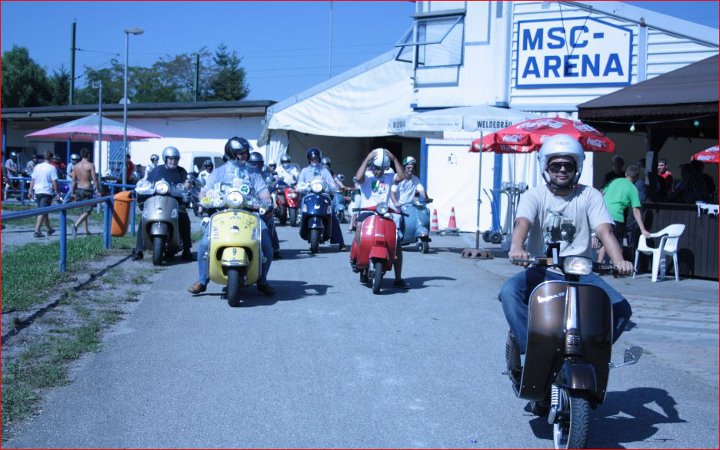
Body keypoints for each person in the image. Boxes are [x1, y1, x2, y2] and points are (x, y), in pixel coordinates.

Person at [499, 134, 634, 388]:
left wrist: (619, 261)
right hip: (541, 270)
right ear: (545, 168)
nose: (562, 170)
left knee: (620, 309)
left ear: (577, 168)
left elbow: (605, 231)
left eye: (568, 165)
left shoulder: (590, 195)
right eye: (556, 165)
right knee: (509, 292)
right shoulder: (534, 196)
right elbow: (522, 224)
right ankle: (533, 349)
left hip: (581, 272)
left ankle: (592, 352)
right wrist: (517, 248)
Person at [188, 136, 276, 296]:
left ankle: (262, 280)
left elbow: (264, 193)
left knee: (266, 245)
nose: (245, 155)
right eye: (241, 153)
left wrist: (266, 202)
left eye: (246, 152)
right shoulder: (219, 172)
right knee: (205, 244)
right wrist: (204, 200)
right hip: (222, 213)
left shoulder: (253, 173)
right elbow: (204, 191)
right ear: (232, 154)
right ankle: (202, 280)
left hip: (250, 214)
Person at [353, 147, 408, 287]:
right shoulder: (367, 176)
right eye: (376, 168)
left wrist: (394, 159)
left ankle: (398, 278)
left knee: (396, 242)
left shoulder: (389, 176)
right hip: (367, 211)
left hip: (385, 213)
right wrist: (367, 158)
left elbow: (402, 177)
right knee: (359, 226)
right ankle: (360, 258)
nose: (378, 171)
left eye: (382, 169)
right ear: (372, 166)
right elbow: (358, 178)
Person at [131, 146, 193, 261]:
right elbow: (148, 182)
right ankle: (139, 249)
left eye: (176, 159)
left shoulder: (181, 171)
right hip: (157, 200)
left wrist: (187, 185)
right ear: (165, 158)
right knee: (144, 218)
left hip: (175, 202)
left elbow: (187, 183)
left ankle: (186, 249)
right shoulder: (157, 170)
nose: (173, 161)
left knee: (184, 217)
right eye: (171, 158)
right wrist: (143, 187)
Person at [595, 165, 651, 263]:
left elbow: (602, 193)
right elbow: (636, 210)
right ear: (637, 177)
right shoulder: (632, 188)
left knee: (605, 240)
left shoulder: (614, 181)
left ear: (626, 174)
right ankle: (618, 265)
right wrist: (643, 229)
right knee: (616, 243)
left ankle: (599, 264)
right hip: (616, 216)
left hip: (603, 213)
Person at [298, 147, 346, 251]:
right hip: (309, 196)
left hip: (323, 196)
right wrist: (304, 187)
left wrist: (330, 187)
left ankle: (340, 242)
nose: (314, 160)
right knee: (303, 212)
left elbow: (332, 183)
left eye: (316, 158)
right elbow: (299, 184)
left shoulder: (324, 170)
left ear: (319, 159)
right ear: (309, 159)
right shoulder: (304, 171)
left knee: (332, 216)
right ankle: (304, 228)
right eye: (312, 158)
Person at [248, 151, 281, 259]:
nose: (256, 166)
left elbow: (273, 183)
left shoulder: (266, 174)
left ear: (262, 164)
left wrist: (273, 186)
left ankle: (275, 249)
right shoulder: (246, 174)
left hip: (263, 203)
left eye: (258, 164)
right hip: (247, 202)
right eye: (253, 164)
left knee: (270, 222)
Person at [28, 151, 62, 238]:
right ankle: (37, 230)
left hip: (37, 191)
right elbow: (54, 182)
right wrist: (57, 193)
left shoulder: (37, 167)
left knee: (44, 211)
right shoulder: (52, 168)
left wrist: (30, 191)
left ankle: (49, 229)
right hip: (46, 191)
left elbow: (32, 179)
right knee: (42, 211)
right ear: (51, 158)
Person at [69, 147, 100, 236]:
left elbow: (73, 180)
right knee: (88, 210)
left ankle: (86, 231)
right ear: (88, 155)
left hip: (78, 189)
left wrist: (72, 192)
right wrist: (98, 190)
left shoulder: (76, 166)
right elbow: (95, 179)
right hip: (87, 190)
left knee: (83, 211)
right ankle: (75, 225)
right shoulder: (90, 165)